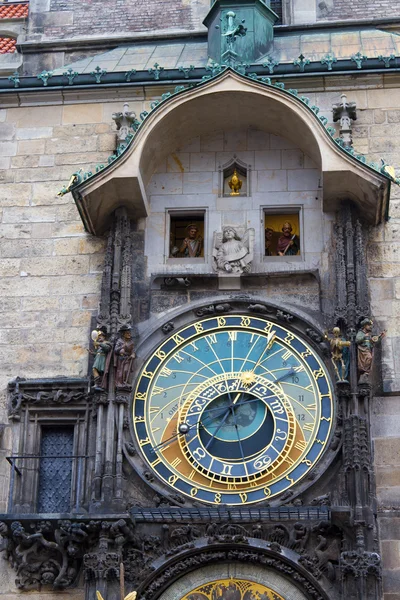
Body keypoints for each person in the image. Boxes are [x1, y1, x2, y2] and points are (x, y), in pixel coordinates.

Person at [114, 326, 136, 391]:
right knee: (120, 371)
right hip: (121, 359)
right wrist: (121, 348)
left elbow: (133, 351)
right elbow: (115, 350)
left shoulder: (131, 342)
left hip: (128, 358)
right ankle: (120, 383)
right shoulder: (119, 341)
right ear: (123, 334)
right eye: (127, 333)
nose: (129, 334)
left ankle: (125, 382)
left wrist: (133, 354)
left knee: (126, 370)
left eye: (129, 333)